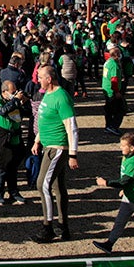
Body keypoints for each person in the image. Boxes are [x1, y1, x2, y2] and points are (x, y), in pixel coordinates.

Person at [92, 132, 134, 256]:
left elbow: (125, 181)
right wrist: (125, 189)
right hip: (129, 196)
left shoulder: (132, 162)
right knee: (120, 221)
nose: (120, 147)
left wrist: (105, 183)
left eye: (123, 145)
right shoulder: (126, 158)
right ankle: (109, 244)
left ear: (132, 148)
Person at [31, 66, 79, 243]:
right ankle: (63, 226)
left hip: (57, 147)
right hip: (47, 144)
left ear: (49, 79)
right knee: (58, 187)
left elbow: (71, 126)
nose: (38, 80)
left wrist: (73, 154)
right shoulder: (47, 95)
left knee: (42, 184)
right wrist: (37, 140)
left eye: (41, 77)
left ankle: (48, 226)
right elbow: (44, 119)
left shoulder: (61, 97)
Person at [0, 79, 26, 205]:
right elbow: (2, 111)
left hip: (15, 138)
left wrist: (23, 102)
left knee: (13, 166)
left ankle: (13, 191)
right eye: (12, 92)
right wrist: (15, 101)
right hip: (2, 140)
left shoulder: (15, 102)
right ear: (4, 92)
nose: (15, 94)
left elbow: (26, 113)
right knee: (1, 166)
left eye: (15, 92)